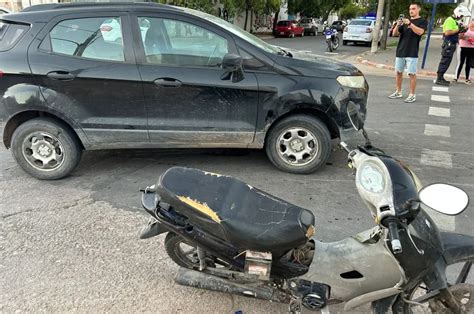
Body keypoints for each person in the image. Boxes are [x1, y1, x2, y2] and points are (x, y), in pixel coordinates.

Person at [388, 3, 427, 103]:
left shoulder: (422, 21)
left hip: (412, 52)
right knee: (398, 72)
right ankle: (398, 91)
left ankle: (412, 94)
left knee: (411, 74)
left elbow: (420, 32)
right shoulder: (404, 22)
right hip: (401, 50)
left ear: (419, 9)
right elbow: (395, 34)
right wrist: (397, 25)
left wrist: (410, 24)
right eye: (410, 9)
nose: (411, 11)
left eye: (413, 9)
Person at [435, 6, 472, 86]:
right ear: (458, 13)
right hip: (448, 43)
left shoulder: (455, 21)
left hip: (452, 43)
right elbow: (447, 33)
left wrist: (462, 30)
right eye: (461, 15)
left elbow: (455, 33)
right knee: (445, 60)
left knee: (447, 61)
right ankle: (439, 78)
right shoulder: (450, 20)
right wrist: (459, 29)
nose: (462, 17)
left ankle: (441, 77)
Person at [453, 20, 474, 85]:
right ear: (471, 22)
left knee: (469, 64)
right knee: (460, 62)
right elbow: (459, 36)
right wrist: (467, 38)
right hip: (462, 47)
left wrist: (472, 40)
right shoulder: (466, 28)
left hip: (472, 48)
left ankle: (467, 78)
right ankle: (456, 77)